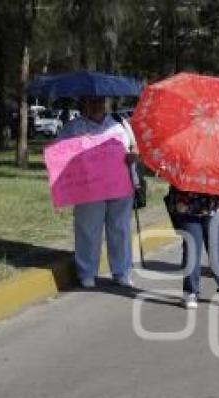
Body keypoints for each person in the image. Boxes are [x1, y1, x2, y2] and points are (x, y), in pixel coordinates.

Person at [58, 96, 138, 288]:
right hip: (88, 189)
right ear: (84, 103)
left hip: (120, 187)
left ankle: (122, 272)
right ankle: (87, 273)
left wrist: (133, 156)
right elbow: (59, 154)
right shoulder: (72, 127)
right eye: (92, 101)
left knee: (120, 229)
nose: (97, 105)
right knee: (88, 229)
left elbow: (135, 147)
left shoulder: (120, 124)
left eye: (100, 101)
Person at [165, 187, 219, 309]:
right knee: (216, 248)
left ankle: (190, 294)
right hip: (213, 203)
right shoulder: (216, 166)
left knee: (191, 249)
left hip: (186, 205)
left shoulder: (183, 167)